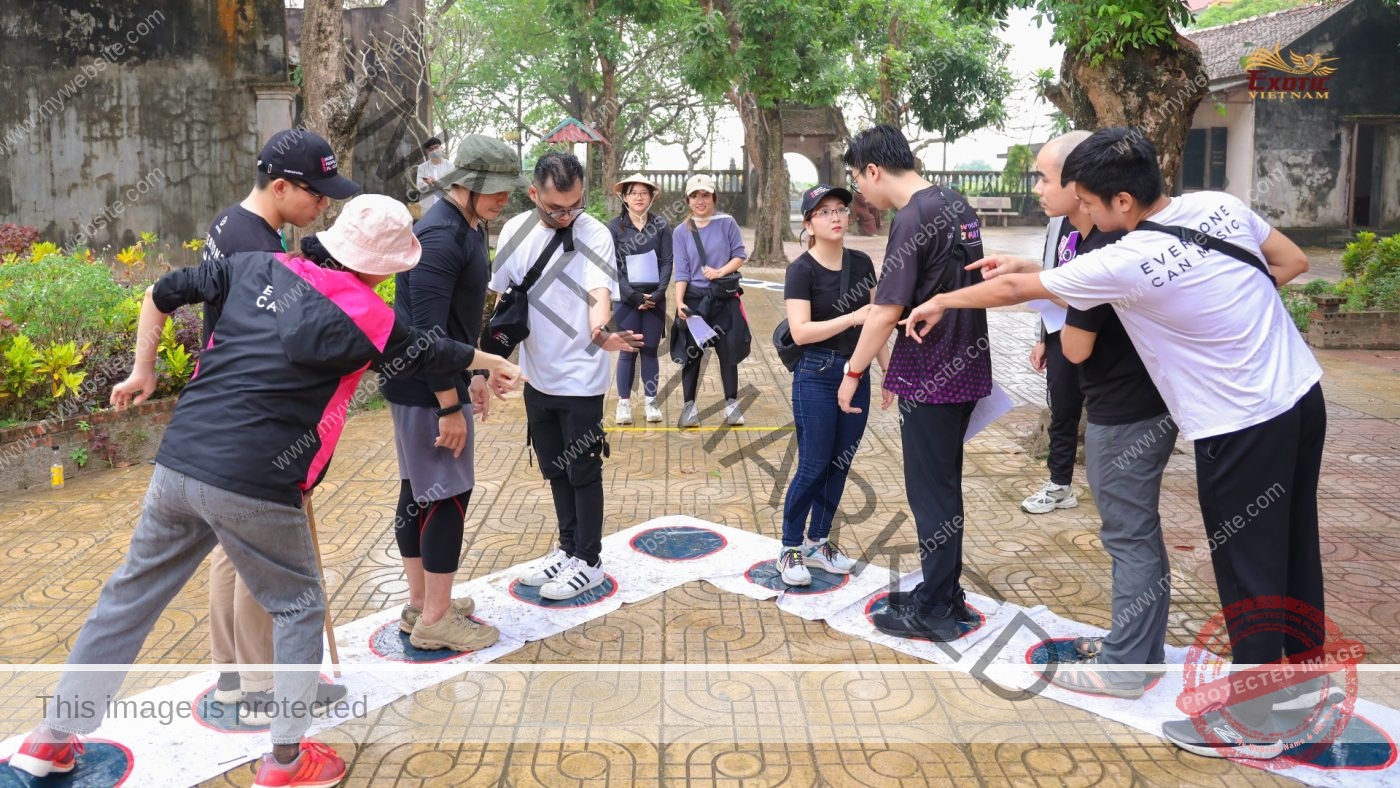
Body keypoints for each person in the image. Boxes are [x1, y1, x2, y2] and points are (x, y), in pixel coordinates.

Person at [8, 195, 522, 786]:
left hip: (178, 463)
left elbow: (160, 293)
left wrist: (142, 368)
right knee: (299, 607)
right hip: (257, 482)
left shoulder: (257, 264)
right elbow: (431, 352)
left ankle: (49, 740)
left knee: (127, 598)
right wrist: (489, 360)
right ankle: (284, 761)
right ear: (387, 267)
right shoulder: (369, 316)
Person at [903, 127, 1324, 759]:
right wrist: (1220, 316)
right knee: (1295, 547)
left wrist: (940, 297)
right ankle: (1305, 689)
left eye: (1091, 205)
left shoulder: (1126, 258)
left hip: (1238, 423)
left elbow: (1019, 293)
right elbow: (1291, 263)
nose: (1087, 216)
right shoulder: (1218, 206)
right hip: (1301, 395)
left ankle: (1259, 719)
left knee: (1248, 568)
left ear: (1122, 201)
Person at [200, 128, 362, 723]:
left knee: (230, 547)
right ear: (280, 186)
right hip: (254, 414)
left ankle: (235, 679)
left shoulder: (230, 225)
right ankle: (267, 690)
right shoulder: (261, 251)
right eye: (316, 194)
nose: (324, 204)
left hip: (220, 405)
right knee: (259, 552)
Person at [1022, 133, 1170, 700]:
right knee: (1136, 532)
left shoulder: (1105, 246)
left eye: (1045, 177)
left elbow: (1078, 348)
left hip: (1127, 406)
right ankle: (1138, 649)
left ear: (1081, 185)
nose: (1038, 188)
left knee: (1129, 535)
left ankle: (1125, 665)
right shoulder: (1091, 237)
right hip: (1136, 400)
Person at [837, 124, 989, 641]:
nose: (860, 191)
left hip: (932, 373)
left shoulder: (913, 217)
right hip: (966, 364)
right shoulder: (955, 203)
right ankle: (941, 592)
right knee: (943, 486)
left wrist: (853, 371)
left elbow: (884, 312)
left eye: (858, 179)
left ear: (873, 170)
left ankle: (936, 612)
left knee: (931, 493)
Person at [382, 135, 526, 652]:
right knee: (446, 495)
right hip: (426, 385)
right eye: (495, 190)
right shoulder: (440, 236)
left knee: (419, 491)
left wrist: (477, 375)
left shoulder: (467, 225)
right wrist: (449, 403)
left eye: (509, 189)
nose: (504, 199)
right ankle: (436, 621)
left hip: (433, 378)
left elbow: (457, 320)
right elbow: (425, 336)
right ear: (462, 183)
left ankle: (422, 603)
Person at [492, 152, 642, 601]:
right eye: (556, 208)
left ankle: (589, 561)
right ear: (533, 194)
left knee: (583, 469)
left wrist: (601, 331)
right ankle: (568, 549)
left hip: (582, 375)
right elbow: (498, 301)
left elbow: (599, 291)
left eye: (574, 205)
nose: (566, 216)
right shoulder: (515, 231)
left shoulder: (592, 231)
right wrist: (488, 362)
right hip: (537, 375)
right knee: (554, 466)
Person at [776, 185, 892, 586]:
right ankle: (789, 547)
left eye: (840, 209)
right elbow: (801, 331)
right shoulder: (801, 270)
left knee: (840, 464)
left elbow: (879, 322)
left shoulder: (861, 263)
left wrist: (888, 372)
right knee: (813, 464)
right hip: (816, 375)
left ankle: (819, 541)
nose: (835, 217)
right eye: (824, 212)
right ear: (808, 223)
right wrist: (852, 319)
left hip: (855, 373)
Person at [1021, 133, 1092, 515]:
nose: (1038, 189)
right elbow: (1050, 276)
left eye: (1045, 179)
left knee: (1102, 412)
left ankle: (1111, 485)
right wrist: (1043, 337)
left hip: (1095, 333)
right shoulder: (1057, 222)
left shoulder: (1105, 229)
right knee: (1063, 410)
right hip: (1058, 329)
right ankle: (1060, 484)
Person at [671, 173, 750, 428]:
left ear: (713, 197)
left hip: (723, 297)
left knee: (728, 352)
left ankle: (731, 405)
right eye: (694, 195)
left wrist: (720, 272)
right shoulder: (681, 231)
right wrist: (679, 302)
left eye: (705, 194)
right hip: (696, 301)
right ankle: (689, 406)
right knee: (693, 354)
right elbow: (681, 271)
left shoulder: (727, 223)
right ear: (688, 200)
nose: (700, 200)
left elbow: (739, 255)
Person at [607, 173, 672, 425]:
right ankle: (624, 403)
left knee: (650, 351)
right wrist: (634, 296)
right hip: (626, 301)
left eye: (643, 193)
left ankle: (650, 400)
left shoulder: (662, 226)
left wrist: (657, 294)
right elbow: (611, 267)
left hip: (655, 300)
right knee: (627, 351)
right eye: (633, 193)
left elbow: (667, 261)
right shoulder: (614, 227)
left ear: (651, 197)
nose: (638, 197)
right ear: (624, 197)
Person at [415, 137, 454, 213]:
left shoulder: (450, 166)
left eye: (436, 147)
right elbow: (420, 187)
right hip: (427, 207)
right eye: (430, 149)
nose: (434, 151)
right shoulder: (422, 167)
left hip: (447, 206)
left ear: (441, 147)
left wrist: (435, 183)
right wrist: (441, 185)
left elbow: (452, 186)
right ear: (427, 151)